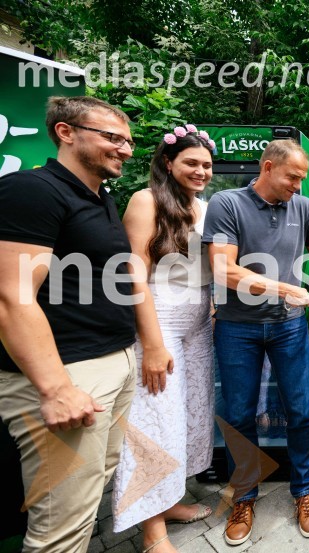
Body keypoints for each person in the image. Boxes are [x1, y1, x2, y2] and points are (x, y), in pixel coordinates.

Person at [0, 96, 137, 552]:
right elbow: (10, 296)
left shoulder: (100, 198)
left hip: (112, 363)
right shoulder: (32, 190)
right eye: (113, 138)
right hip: (70, 372)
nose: (125, 149)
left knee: (87, 496)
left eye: (129, 141)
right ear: (66, 132)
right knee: (60, 527)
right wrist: (55, 388)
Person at [202, 139, 309, 545]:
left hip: (289, 326)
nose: (298, 186)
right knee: (240, 414)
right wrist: (284, 288)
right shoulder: (226, 203)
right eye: (293, 177)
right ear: (267, 167)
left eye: (302, 178)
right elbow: (223, 270)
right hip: (236, 326)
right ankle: (244, 496)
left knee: (300, 410)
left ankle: (305, 492)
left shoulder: (304, 208)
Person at [111, 127, 218, 552]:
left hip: (198, 328)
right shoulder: (145, 200)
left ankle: (171, 499)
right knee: (153, 425)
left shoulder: (207, 208)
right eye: (191, 162)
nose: (201, 171)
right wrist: (151, 343)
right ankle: (152, 531)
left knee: (189, 419)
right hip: (159, 326)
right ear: (168, 163)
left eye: (207, 165)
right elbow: (132, 271)